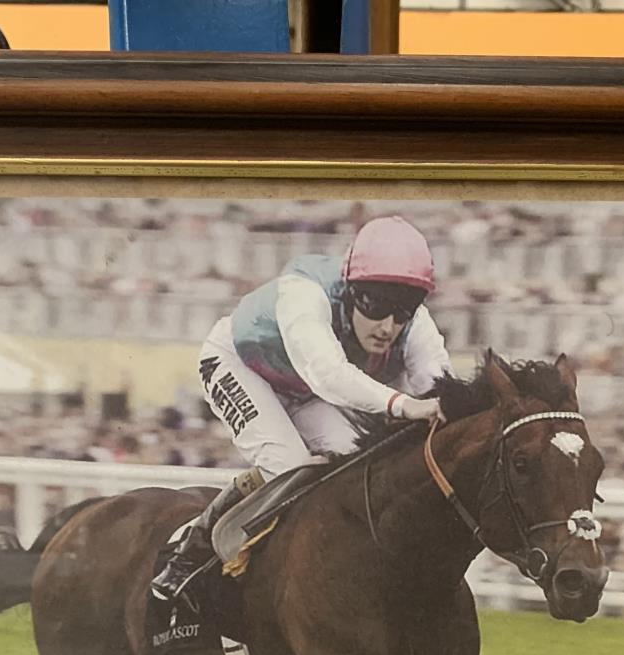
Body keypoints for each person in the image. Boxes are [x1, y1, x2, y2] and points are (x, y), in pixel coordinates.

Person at [150, 215, 454, 602]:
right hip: (240, 364)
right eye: (377, 305)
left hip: (302, 388)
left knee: (352, 469)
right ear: (351, 290)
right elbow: (326, 373)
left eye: (404, 310)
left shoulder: (417, 326)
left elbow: (442, 391)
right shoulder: (306, 291)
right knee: (288, 463)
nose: (388, 326)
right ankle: (191, 552)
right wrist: (404, 405)